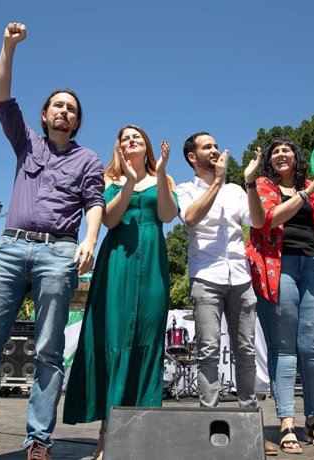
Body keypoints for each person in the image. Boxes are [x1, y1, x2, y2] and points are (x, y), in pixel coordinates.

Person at [0, 23, 104, 460]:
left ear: (77, 120)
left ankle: (38, 441)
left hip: (60, 252)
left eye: (71, 108)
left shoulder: (88, 159)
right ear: (45, 115)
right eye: (57, 106)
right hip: (9, 249)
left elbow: (94, 202)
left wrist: (89, 240)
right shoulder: (26, 142)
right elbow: (0, 95)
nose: (64, 112)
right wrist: (7, 48)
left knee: (49, 351)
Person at [63, 125, 177, 459]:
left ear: (147, 146)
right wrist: (128, 181)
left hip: (153, 266)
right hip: (117, 265)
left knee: (147, 338)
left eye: (137, 137)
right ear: (119, 147)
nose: (131, 141)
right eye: (125, 138)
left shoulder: (163, 180)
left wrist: (163, 173)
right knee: (113, 339)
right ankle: (106, 434)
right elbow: (110, 221)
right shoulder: (108, 179)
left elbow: (168, 215)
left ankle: (139, 436)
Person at [175, 132, 277, 456]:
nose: (216, 151)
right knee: (207, 350)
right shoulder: (184, 189)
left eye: (217, 146)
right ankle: (210, 425)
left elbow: (259, 222)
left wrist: (248, 183)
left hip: (241, 278)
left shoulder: (235, 190)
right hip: (206, 276)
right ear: (193, 156)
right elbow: (190, 218)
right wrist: (216, 183)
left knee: (246, 351)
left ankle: (251, 426)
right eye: (208, 147)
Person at [245, 139, 314, 454]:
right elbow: (270, 219)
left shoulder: (312, 186)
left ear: (297, 158)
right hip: (277, 267)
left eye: (287, 150)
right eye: (276, 151)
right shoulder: (263, 185)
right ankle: (286, 421)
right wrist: (308, 192)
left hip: (313, 266)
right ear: (270, 161)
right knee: (284, 348)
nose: (281, 154)